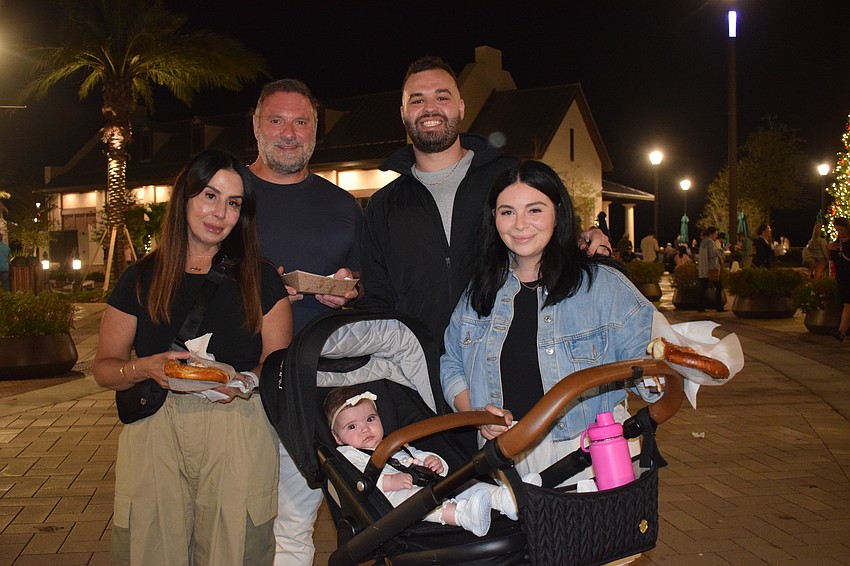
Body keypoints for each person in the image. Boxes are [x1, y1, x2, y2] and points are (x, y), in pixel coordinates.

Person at [92, 149, 293, 564]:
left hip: (236, 424)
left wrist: (246, 380)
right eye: (209, 195)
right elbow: (104, 368)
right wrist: (143, 367)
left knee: (235, 548)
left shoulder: (260, 279)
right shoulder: (141, 277)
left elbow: (277, 363)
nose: (220, 212)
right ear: (185, 197)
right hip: (155, 430)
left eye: (233, 202)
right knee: (151, 548)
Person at [360, 56, 610, 349]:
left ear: (461, 107)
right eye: (417, 101)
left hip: (509, 358)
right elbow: (376, 299)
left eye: (442, 97)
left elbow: (556, 239)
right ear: (403, 113)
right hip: (417, 367)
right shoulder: (383, 206)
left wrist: (586, 238)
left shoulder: (508, 177)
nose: (430, 108)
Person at [440, 160, 660, 482]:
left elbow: (654, 365)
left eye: (534, 210)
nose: (519, 225)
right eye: (507, 212)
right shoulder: (481, 290)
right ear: (493, 218)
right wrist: (476, 411)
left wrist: (669, 372)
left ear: (557, 212)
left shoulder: (601, 285)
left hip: (592, 452)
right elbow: (452, 362)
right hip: (506, 456)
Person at [249, 78, 363, 565]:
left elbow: (360, 280)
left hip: (314, 380)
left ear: (316, 129)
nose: (289, 133)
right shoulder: (226, 193)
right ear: (255, 126)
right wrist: (256, 286)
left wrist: (347, 285)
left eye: (301, 122)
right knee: (236, 515)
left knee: (296, 520)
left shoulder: (340, 204)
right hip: (239, 382)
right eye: (277, 120)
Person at [324, 386, 533, 537]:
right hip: (392, 501)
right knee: (412, 500)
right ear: (338, 438)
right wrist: (388, 482)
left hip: (426, 485)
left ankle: (506, 499)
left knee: (462, 482)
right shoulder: (347, 455)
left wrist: (433, 460)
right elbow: (353, 480)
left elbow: (415, 455)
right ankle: (462, 516)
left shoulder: (394, 444)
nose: (364, 429)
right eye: (352, 427)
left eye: (370, 419)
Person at [828, 217, 850, 342]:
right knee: (847, 304)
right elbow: (831, 259)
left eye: (841, 230)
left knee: (848, 304)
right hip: (842, 278)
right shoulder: (838, 243)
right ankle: (841, 331)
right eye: (837, 230)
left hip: (848, 277)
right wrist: (829, 249)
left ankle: (841, 331)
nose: (839, 233)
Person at [697, 226, 724, 312]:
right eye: (716, 233)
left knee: (703, 288)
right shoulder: (711, 242)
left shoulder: (703, 242)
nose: (716, 235)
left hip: (703, 268)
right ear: (712, 234)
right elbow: (712, 254)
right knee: (719, 287)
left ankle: (700, 306)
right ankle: (719, 307)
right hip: (711, 268)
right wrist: (722, 250)